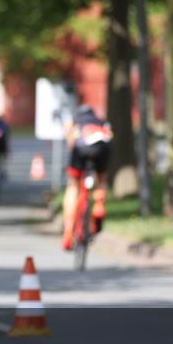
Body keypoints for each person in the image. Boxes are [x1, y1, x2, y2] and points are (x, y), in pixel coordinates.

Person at [61, 104, 113, 250]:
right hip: (102, 149)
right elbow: (110, 136)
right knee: (101, 179)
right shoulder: (100, 121)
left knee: (73, 185)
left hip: (81, 148)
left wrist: (73, 153)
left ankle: (68, 234)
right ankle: (99, 206)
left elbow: (69, 135)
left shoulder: (75, 119)